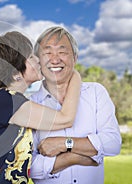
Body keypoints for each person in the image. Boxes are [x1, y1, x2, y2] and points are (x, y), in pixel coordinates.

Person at [0, 31, 81, 184]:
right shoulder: (9, 102)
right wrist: (74, 74)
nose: (38, 60)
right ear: (16, 71)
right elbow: (66, 119)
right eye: (31, 57)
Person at [29, 26, 122, 184]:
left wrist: (64, 144)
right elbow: (29, 167)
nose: (55, 59)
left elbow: (112, 143)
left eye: (62, 52)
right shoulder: (29, 105)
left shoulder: (95, 93)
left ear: (75, 58)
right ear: (38, 61)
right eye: (47, 52)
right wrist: (73, 157)